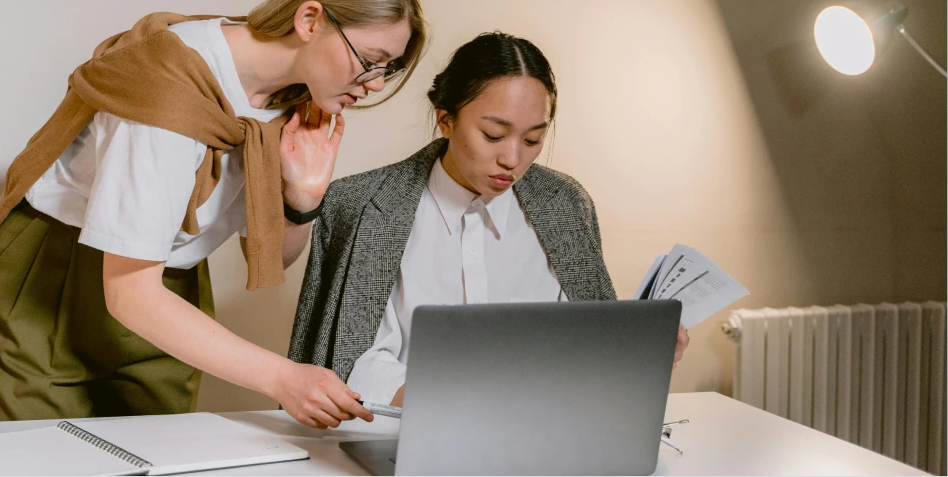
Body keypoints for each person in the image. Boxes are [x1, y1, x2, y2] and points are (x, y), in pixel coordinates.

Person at [0, 0, 428, 429]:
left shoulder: (293, 98)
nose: (377, 82)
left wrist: (303, 197)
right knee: (35, 459)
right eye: (370, 59)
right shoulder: (169, 91)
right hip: (59, 276)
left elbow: (274, 257)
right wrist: (283, 378)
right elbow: (128, 293)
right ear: (310, 20)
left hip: (171, 286)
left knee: (161, 455)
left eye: (390, 66)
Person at [288, 32, 689, 406]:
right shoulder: (360, 204)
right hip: (403, 436)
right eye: (494, 135)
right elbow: (350, 360)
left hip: (549, 438)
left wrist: (641, 353)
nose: (513, 159)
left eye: (533, 139)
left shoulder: (566, 204)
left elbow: (586, 342)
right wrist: (458, 405)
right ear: (446, 119)